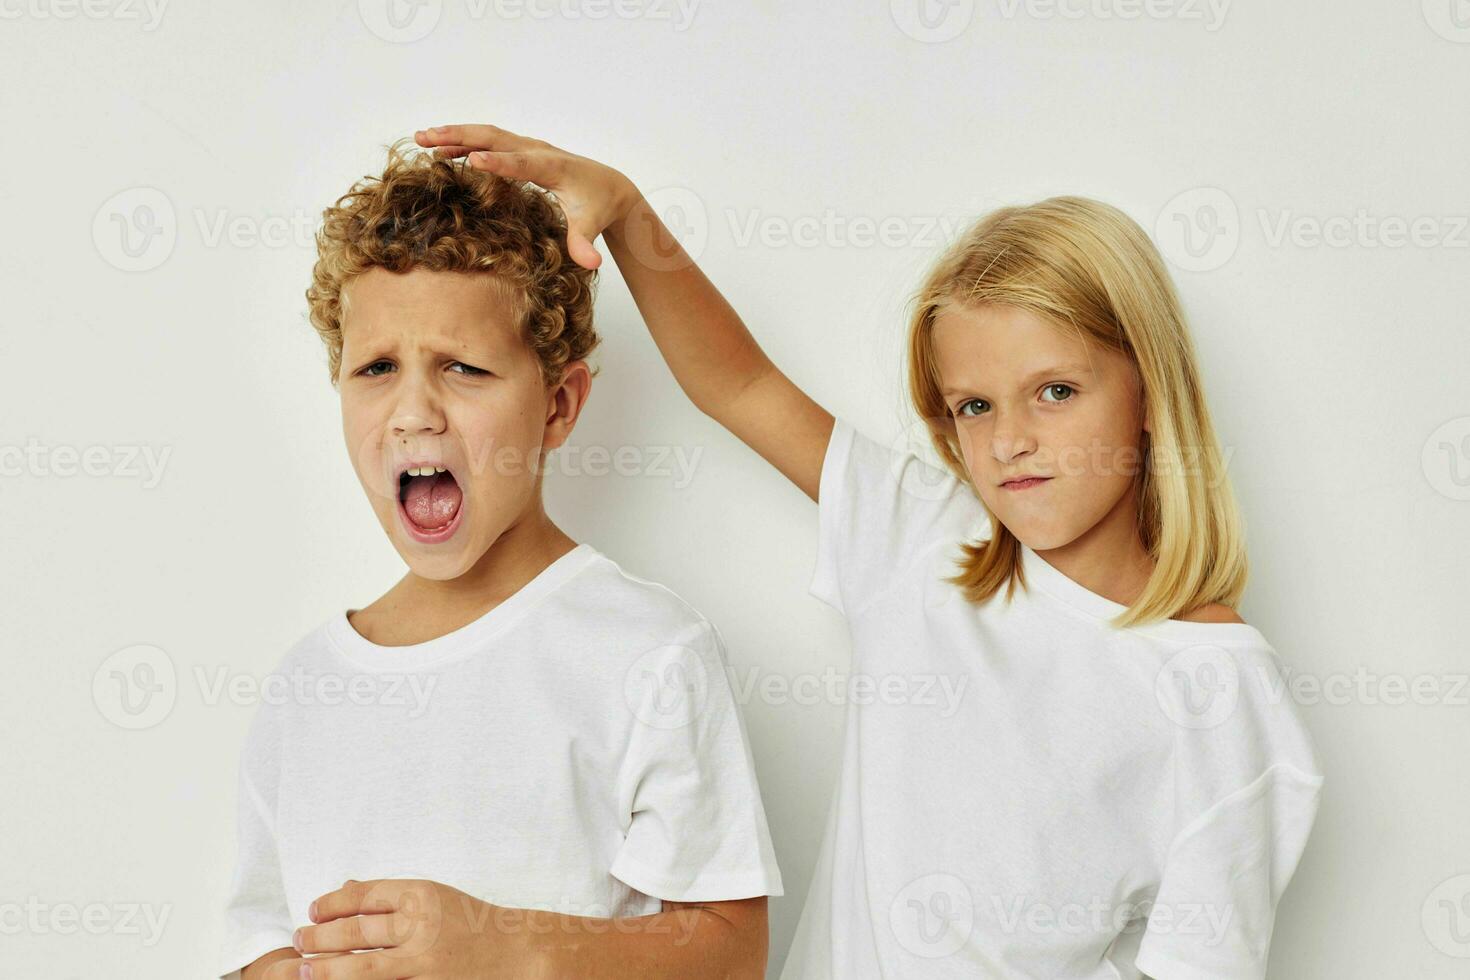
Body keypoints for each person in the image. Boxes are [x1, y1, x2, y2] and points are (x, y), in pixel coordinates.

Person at [414, 122, 1326, 979]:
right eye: (974, 405)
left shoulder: (1226, 694)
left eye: (1054, 391)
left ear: (1148, 389)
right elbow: (736, 382)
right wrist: (628, 214)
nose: (1009, 440)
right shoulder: (926, 540)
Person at [218, 137, 783, 980]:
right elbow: (255, 945)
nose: (413, 413)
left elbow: (730, 954)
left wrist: (504, 946)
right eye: (375, 367)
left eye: (464, 368)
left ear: (559, 405)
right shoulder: (306, 685)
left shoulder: (647, 651)